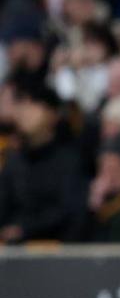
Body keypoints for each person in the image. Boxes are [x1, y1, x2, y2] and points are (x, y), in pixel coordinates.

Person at [0, 78, 85, 243]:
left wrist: (25, 229)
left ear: (52, 114)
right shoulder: (14, 159)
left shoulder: (70, 159)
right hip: (12, 250)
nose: (24, 112)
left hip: (55, 250)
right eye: (21, 105)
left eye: (33, 105)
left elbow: (68, 210)